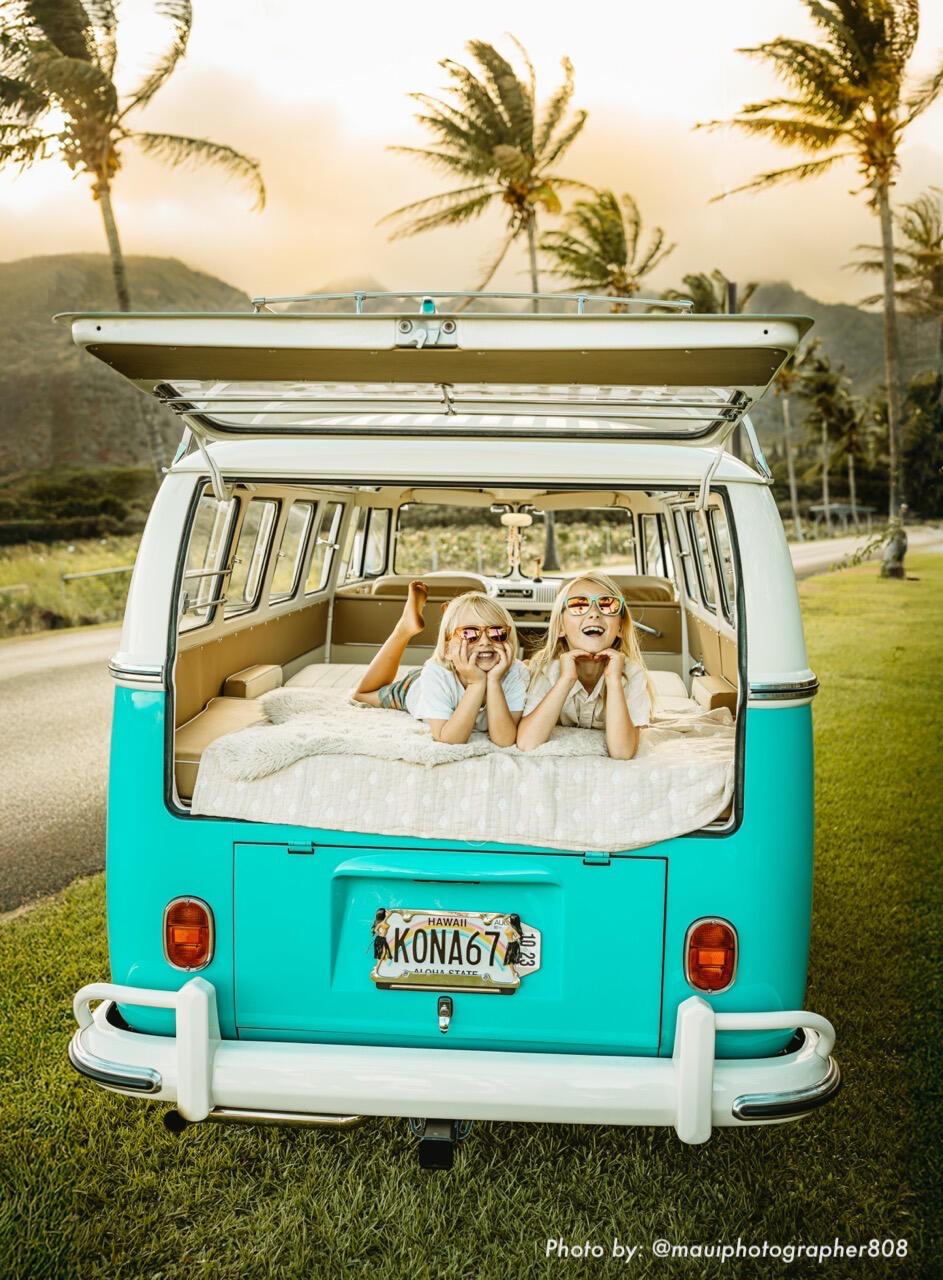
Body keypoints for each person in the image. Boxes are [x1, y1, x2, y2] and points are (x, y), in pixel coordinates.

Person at [352, 582, 528, 747]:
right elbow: (449, 738)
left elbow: (504, 740)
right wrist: (477, 683)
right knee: (361, 695)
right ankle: (404, 627)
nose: (485, 641)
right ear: (447, 649)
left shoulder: (515, 672)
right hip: (415, 686)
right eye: (469, 633)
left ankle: (456, 626)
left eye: (497, 632)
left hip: (449, 667)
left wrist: (493, 681)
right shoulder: (435, 675)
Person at [516, 571, 655, 759]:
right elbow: (527, 742)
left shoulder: (631, 674)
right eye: (578, 605)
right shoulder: (545, 670)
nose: (594, 614)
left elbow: (622, 752)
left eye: (607, 605)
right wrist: (566, 680)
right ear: (561, 627)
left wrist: (613, 680)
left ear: (620, 628)